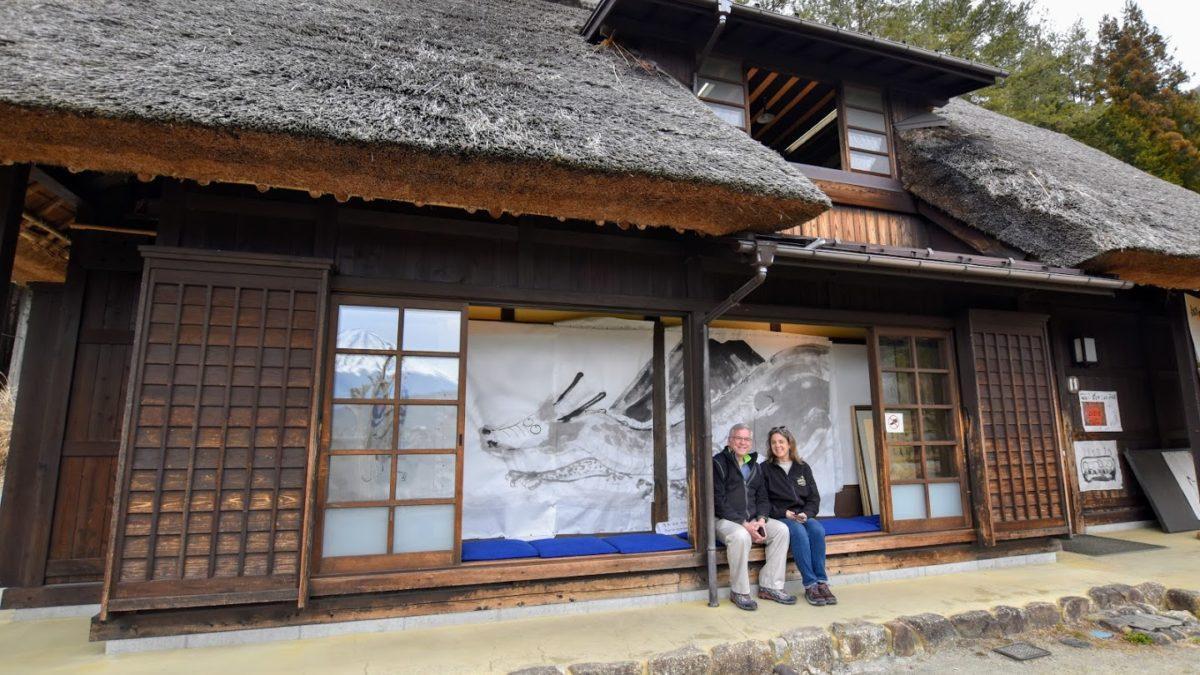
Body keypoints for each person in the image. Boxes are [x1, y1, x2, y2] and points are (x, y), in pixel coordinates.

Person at [713, 423, 796, 610]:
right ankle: (739, 591)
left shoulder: (755, 466)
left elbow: (763, 498)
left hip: (752, 519)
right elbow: (718, 501)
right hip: (725, 521)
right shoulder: (718, 463)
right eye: (739, 438)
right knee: (741, 535)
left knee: (781, 529)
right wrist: (743, 524)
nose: (743, 442)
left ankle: (770, 586)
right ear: (730, 441)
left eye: (747, 439)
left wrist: (761, 519)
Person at [762, 426, 837, 607]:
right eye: (774, 442)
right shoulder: (764, 469)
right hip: (781, 515)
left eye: (781, 441)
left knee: (817, 529)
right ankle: (810, 584)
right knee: (798, 532)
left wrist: (807, 513)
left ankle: (822, 582)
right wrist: (783, 513)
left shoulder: (802, 467)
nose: (777, 446)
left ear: (789, 444)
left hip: (802, 514)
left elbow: (814, 498)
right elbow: (762, 500)